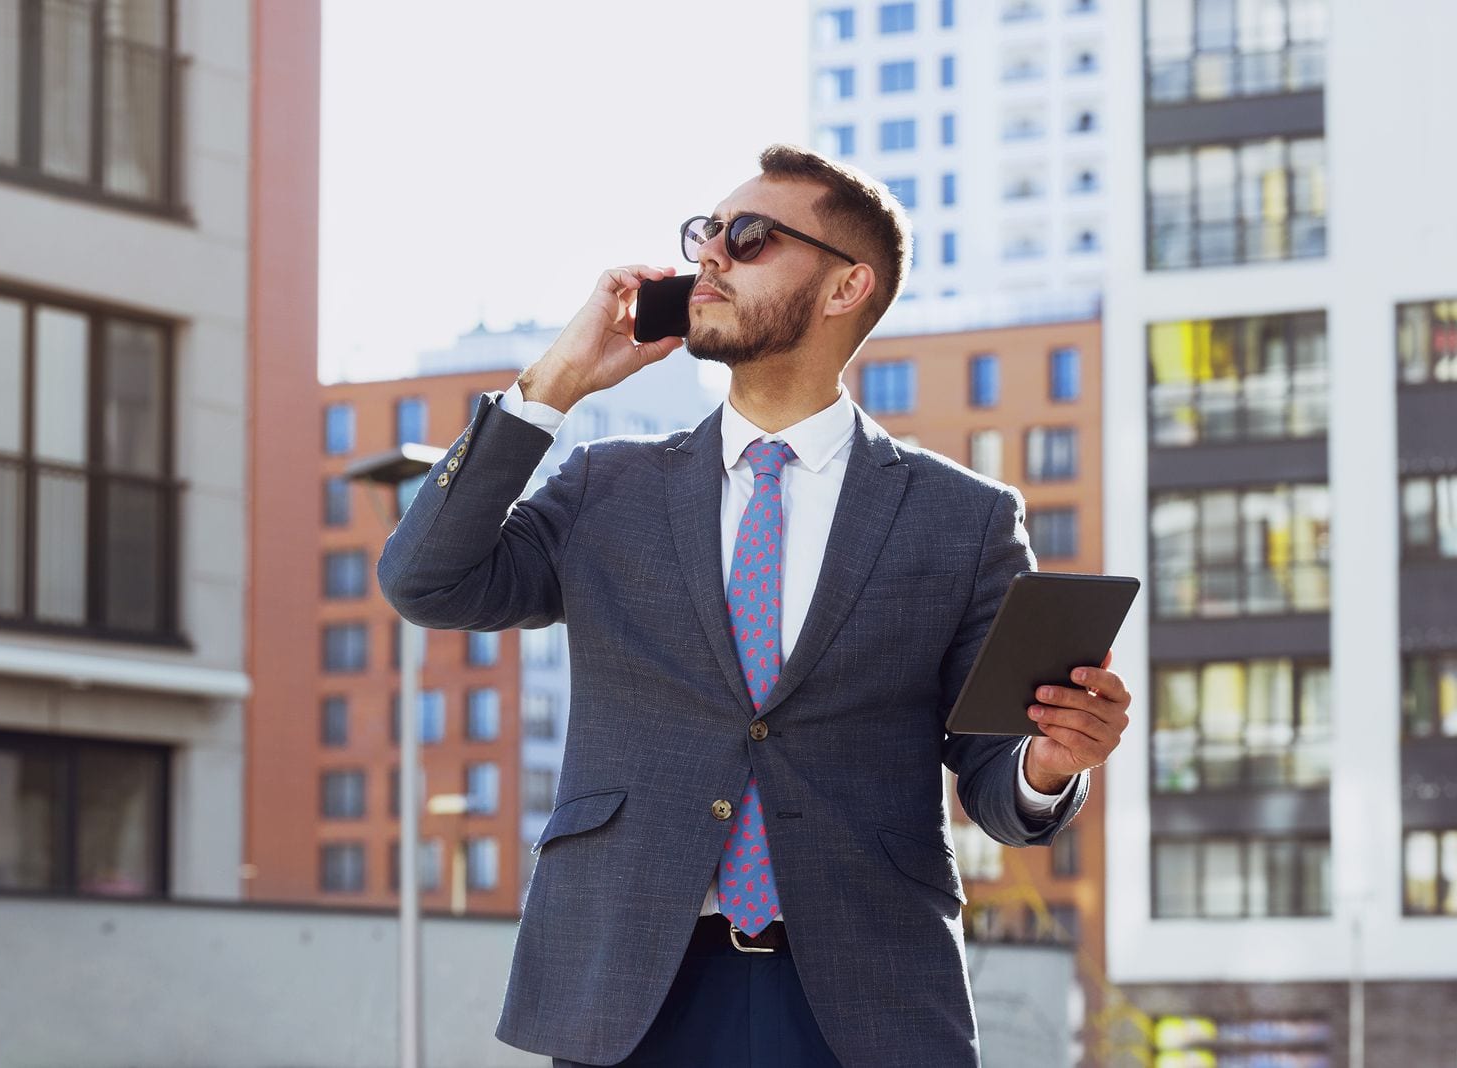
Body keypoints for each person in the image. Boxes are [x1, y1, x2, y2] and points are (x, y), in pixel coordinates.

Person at [378, 144, 1132, 1067]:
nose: (710, 258)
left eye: (748, 237)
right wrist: (556, 383)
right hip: (629, 991)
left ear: (847, 285)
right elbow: (425, 580)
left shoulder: (961, 521)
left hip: (861, 1000)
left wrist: (1048, 763)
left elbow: (993, 782)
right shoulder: (605, 487)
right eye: (705, 235)